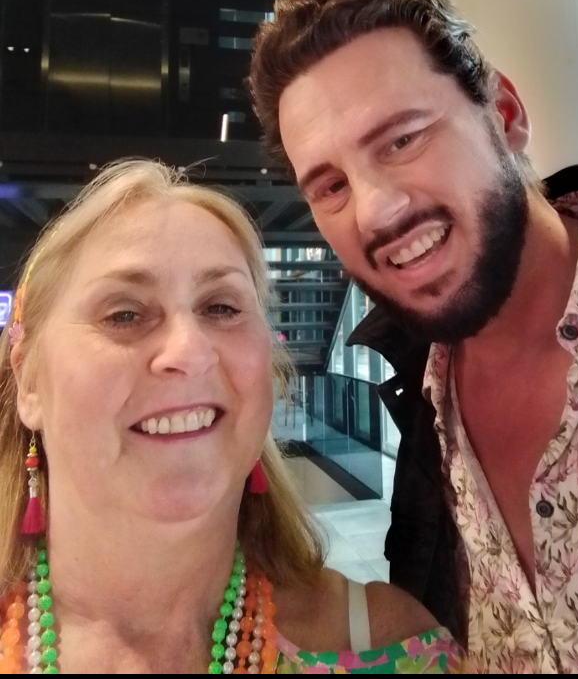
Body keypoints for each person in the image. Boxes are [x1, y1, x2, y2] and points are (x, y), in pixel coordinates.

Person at [248, 0, 578, 674]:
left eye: (402, 139)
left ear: (504, 115)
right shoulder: (419, 404)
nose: (376, 211)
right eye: (331, 185)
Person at [0, 159, 465, 675]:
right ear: (29, 379)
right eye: (124, 314)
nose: (190, 350)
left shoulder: (394, 650)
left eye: (221, 307)